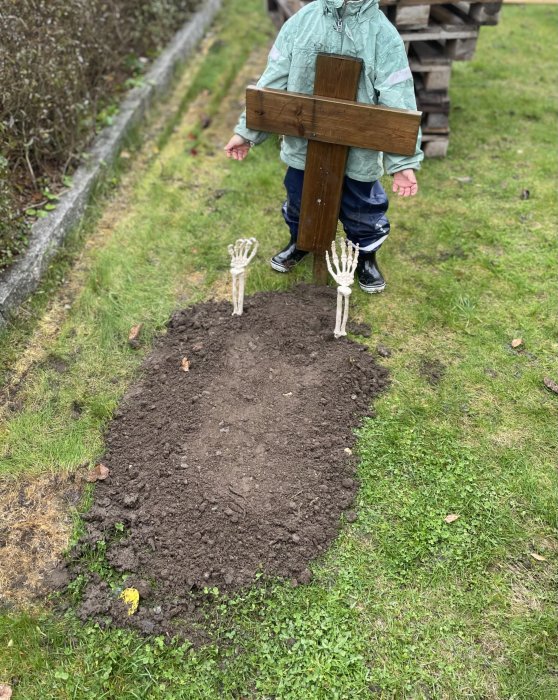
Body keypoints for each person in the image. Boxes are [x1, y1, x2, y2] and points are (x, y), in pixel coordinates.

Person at [224, 0, 422, 293]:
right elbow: (273, 80)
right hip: (305, 143)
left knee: (362, 208)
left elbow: (398, 100)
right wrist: (247, 130)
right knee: (300, 198)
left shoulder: (382, 34)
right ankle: (300, 241)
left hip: (358, 150)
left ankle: (365, 256)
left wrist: (402, 164)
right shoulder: (304, 20)